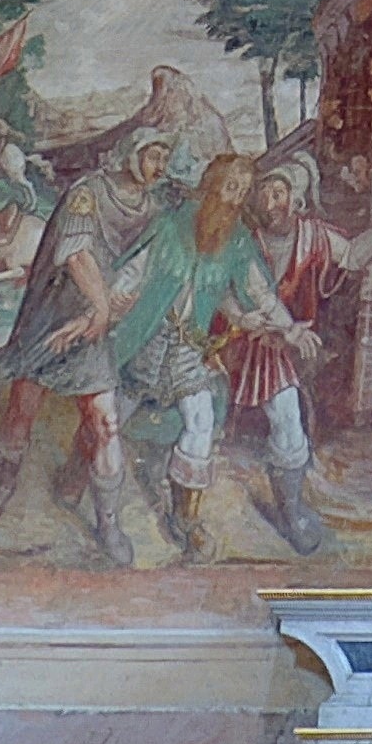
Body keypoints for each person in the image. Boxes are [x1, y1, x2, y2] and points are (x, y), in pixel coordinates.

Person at [0, 119, 178, 559]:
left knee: (105, 422)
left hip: (92, 326)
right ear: (131, 154)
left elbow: (138, 272)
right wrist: (101, 308)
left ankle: (109, 523)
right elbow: (76, 253)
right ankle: (4, 484)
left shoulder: (153, 212)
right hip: (52, 315)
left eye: (165, 158)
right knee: (22, 410)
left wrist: (101, 315)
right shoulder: (88, 192)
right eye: (153, 155)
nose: (159, 165)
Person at [111, 154, 299, 562]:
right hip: (147, 339)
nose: (235, 198)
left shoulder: (236, 240)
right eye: (230, 186)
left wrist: (290, 328)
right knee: (112, 415)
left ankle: (185, 518)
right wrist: (111, 300)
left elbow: (258, 291)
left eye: (243, 191)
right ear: (212, 183)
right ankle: (82, 481)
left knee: (201, 421)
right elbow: (135, 271)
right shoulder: (171, 223)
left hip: (189, 350)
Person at [228, 160, 372, 555]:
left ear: (297, 198)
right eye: (265, 192)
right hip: (241, 340)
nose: (271, 201)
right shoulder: (244, 240)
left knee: (289, 421)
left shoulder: (312, 236)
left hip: (286, 347)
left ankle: (290, 510)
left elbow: (354, 256)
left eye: (279, 193)